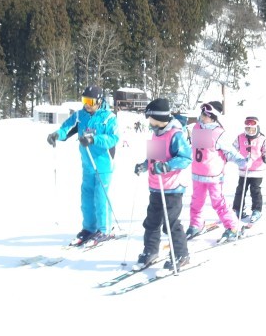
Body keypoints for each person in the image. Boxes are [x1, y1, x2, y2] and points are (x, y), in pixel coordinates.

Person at [46, 85, 119, 246]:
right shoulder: (80, 115)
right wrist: (57, 135)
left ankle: (105, 229)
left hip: (103, 164)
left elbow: (113, 138)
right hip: (87, 164)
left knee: (101, 197)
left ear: (99, 101)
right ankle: (89, 228)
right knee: (86, 199)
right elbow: (66, 128)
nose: (87, 105)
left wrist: (94, 139)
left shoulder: (109, 118)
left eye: (90, 101)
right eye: (84, 100)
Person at [133, 98, 193, 271]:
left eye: (151, 119)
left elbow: (186, 158)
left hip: (172, 188)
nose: (149, 122)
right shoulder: (156, 133)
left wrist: (167, 166)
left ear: (159, 117)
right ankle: (150, 250)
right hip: (156, 186)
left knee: (170, 223)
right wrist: (144, 166)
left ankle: (181, 254)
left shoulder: (175, 135)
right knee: (152, 221)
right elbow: (153, 157)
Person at [188, 101, 248, 242]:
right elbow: (199, 149)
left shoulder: (218, 133)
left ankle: (233, 227)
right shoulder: (197, 128)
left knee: (218, 202)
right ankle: (196, 224)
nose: (203, 117)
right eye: (202, 114)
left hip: (213, 176)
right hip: (197, 173)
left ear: (213, 117)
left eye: (206, 115)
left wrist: (242, 161)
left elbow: (230, 152)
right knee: (196, 202)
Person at [232, 116, 266, 224]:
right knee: (240, 190)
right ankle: (238, 208)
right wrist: (236, 157)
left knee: (255, 190)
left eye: (252, 129)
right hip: (244, 169)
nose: (250, 131)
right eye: (248, 129)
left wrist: (265, 156)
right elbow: (233, 149)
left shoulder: (262, 138)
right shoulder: (240, 137)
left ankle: (256, 210)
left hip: (257, 170)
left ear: (257, 128)